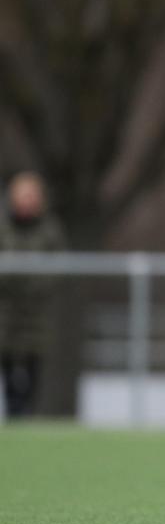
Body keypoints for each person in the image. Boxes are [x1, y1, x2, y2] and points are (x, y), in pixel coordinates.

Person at [0, 171, 66, 417]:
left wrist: (32, 282)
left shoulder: (49, 229)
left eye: (31, 195)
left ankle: (28, 414)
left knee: (33, 363)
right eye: (22, 195)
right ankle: (11, 412)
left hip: (36, 309)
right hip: (5, 308)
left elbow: (58, 265)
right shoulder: (3, 227)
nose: (26, 201)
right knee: (6, 360)